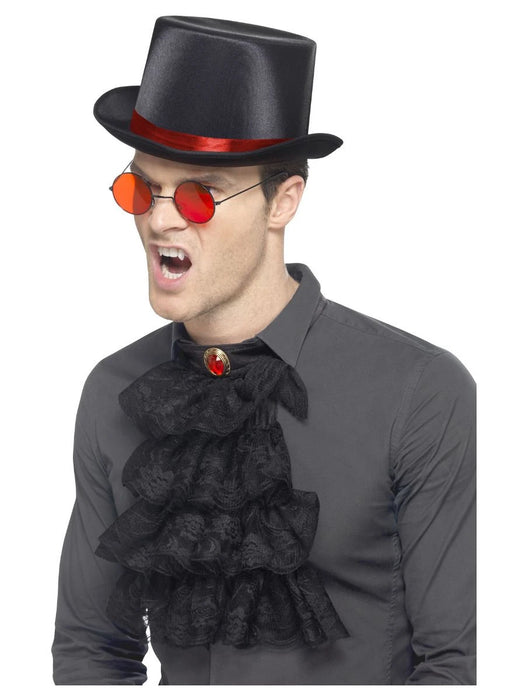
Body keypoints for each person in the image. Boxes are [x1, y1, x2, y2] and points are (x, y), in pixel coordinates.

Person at [51, 16, 476, 685]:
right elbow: (91, 650)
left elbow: (456, 667)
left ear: (283, 202)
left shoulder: (418, 392)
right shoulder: (113, 389)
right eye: (141, 189)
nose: (159, 218)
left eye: (200, 196)